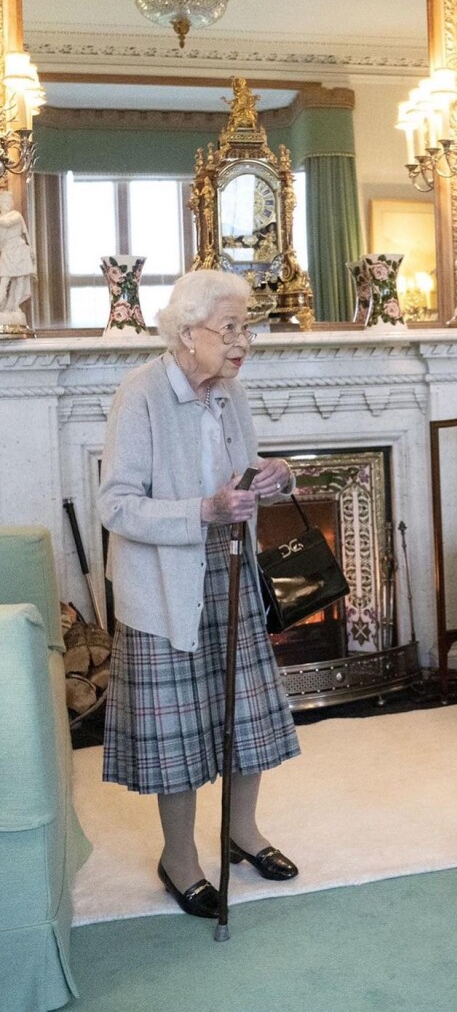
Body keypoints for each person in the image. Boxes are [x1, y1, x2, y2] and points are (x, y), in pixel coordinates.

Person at [97, 269, 301, 919]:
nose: (243, 342)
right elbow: (116, 506)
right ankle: (179, 858)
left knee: (248, 717)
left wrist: (272, 477)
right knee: (179, 737)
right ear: (188, 334)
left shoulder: (228, 394)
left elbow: (238, 474)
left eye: (248, 328)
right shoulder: (142, 394)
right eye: (231, 328)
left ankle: (241, 833)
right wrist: (203, 513)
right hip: (164, 584)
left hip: (232, 568)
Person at [0, 190, 34, 315]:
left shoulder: (15, 215)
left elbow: (7, 223)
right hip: (7, 251)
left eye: (9, 201)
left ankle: (14, 306)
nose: (7, 204)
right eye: (4, 202)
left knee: (20, 279)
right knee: (4, 279)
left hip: (19, 250)